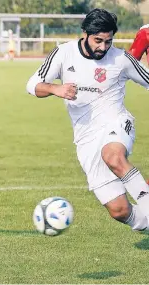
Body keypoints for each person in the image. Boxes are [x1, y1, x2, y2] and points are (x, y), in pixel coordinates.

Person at [26, 8, 149, 234]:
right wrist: (56, 88)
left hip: (117, 122)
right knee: (120, 211)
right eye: (98, 41)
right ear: (84, 33)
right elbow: (32, 85)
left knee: (113, 156)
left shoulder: (121, 59)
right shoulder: (63, 54)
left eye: (108, 41)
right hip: (86, 139)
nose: (103, 47)